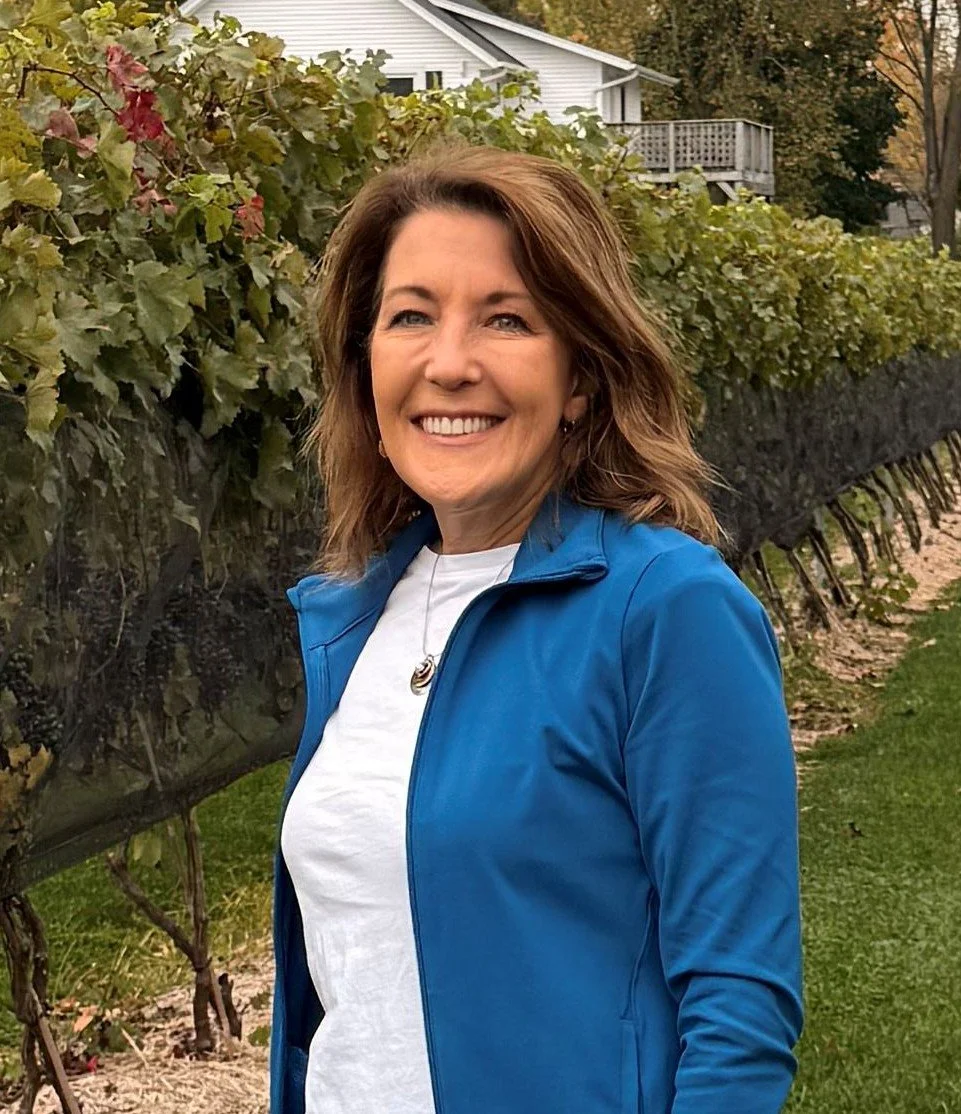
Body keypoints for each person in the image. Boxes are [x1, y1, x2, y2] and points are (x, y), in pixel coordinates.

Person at [271, 137, 803, 1114]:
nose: (448, 364)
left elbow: (740, 1010)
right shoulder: (356, 616)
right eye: (410, 317)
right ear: (364, 366)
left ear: (580, 377)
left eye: (506, 319)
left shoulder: (665, 611)